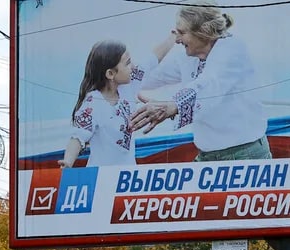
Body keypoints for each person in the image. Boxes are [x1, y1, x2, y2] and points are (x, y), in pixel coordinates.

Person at [128, 2, 271, 161]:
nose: (178, 40)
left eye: (181, 33)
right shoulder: (188, 57)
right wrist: (116, 74)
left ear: (203, 32)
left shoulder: (232, 48)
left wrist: (171, 107)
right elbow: (150, 77)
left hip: (244, 155)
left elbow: (208, 84)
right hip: (207, 156)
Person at [60, 36, 172, 168]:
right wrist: (68, 162)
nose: (133, 66)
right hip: (101, 178)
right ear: (110, 74)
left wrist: (173, 36)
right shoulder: (92, 103)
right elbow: (78, 137)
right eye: (128, 63)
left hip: (127, 176)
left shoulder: (129, 87)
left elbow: (152, 59)